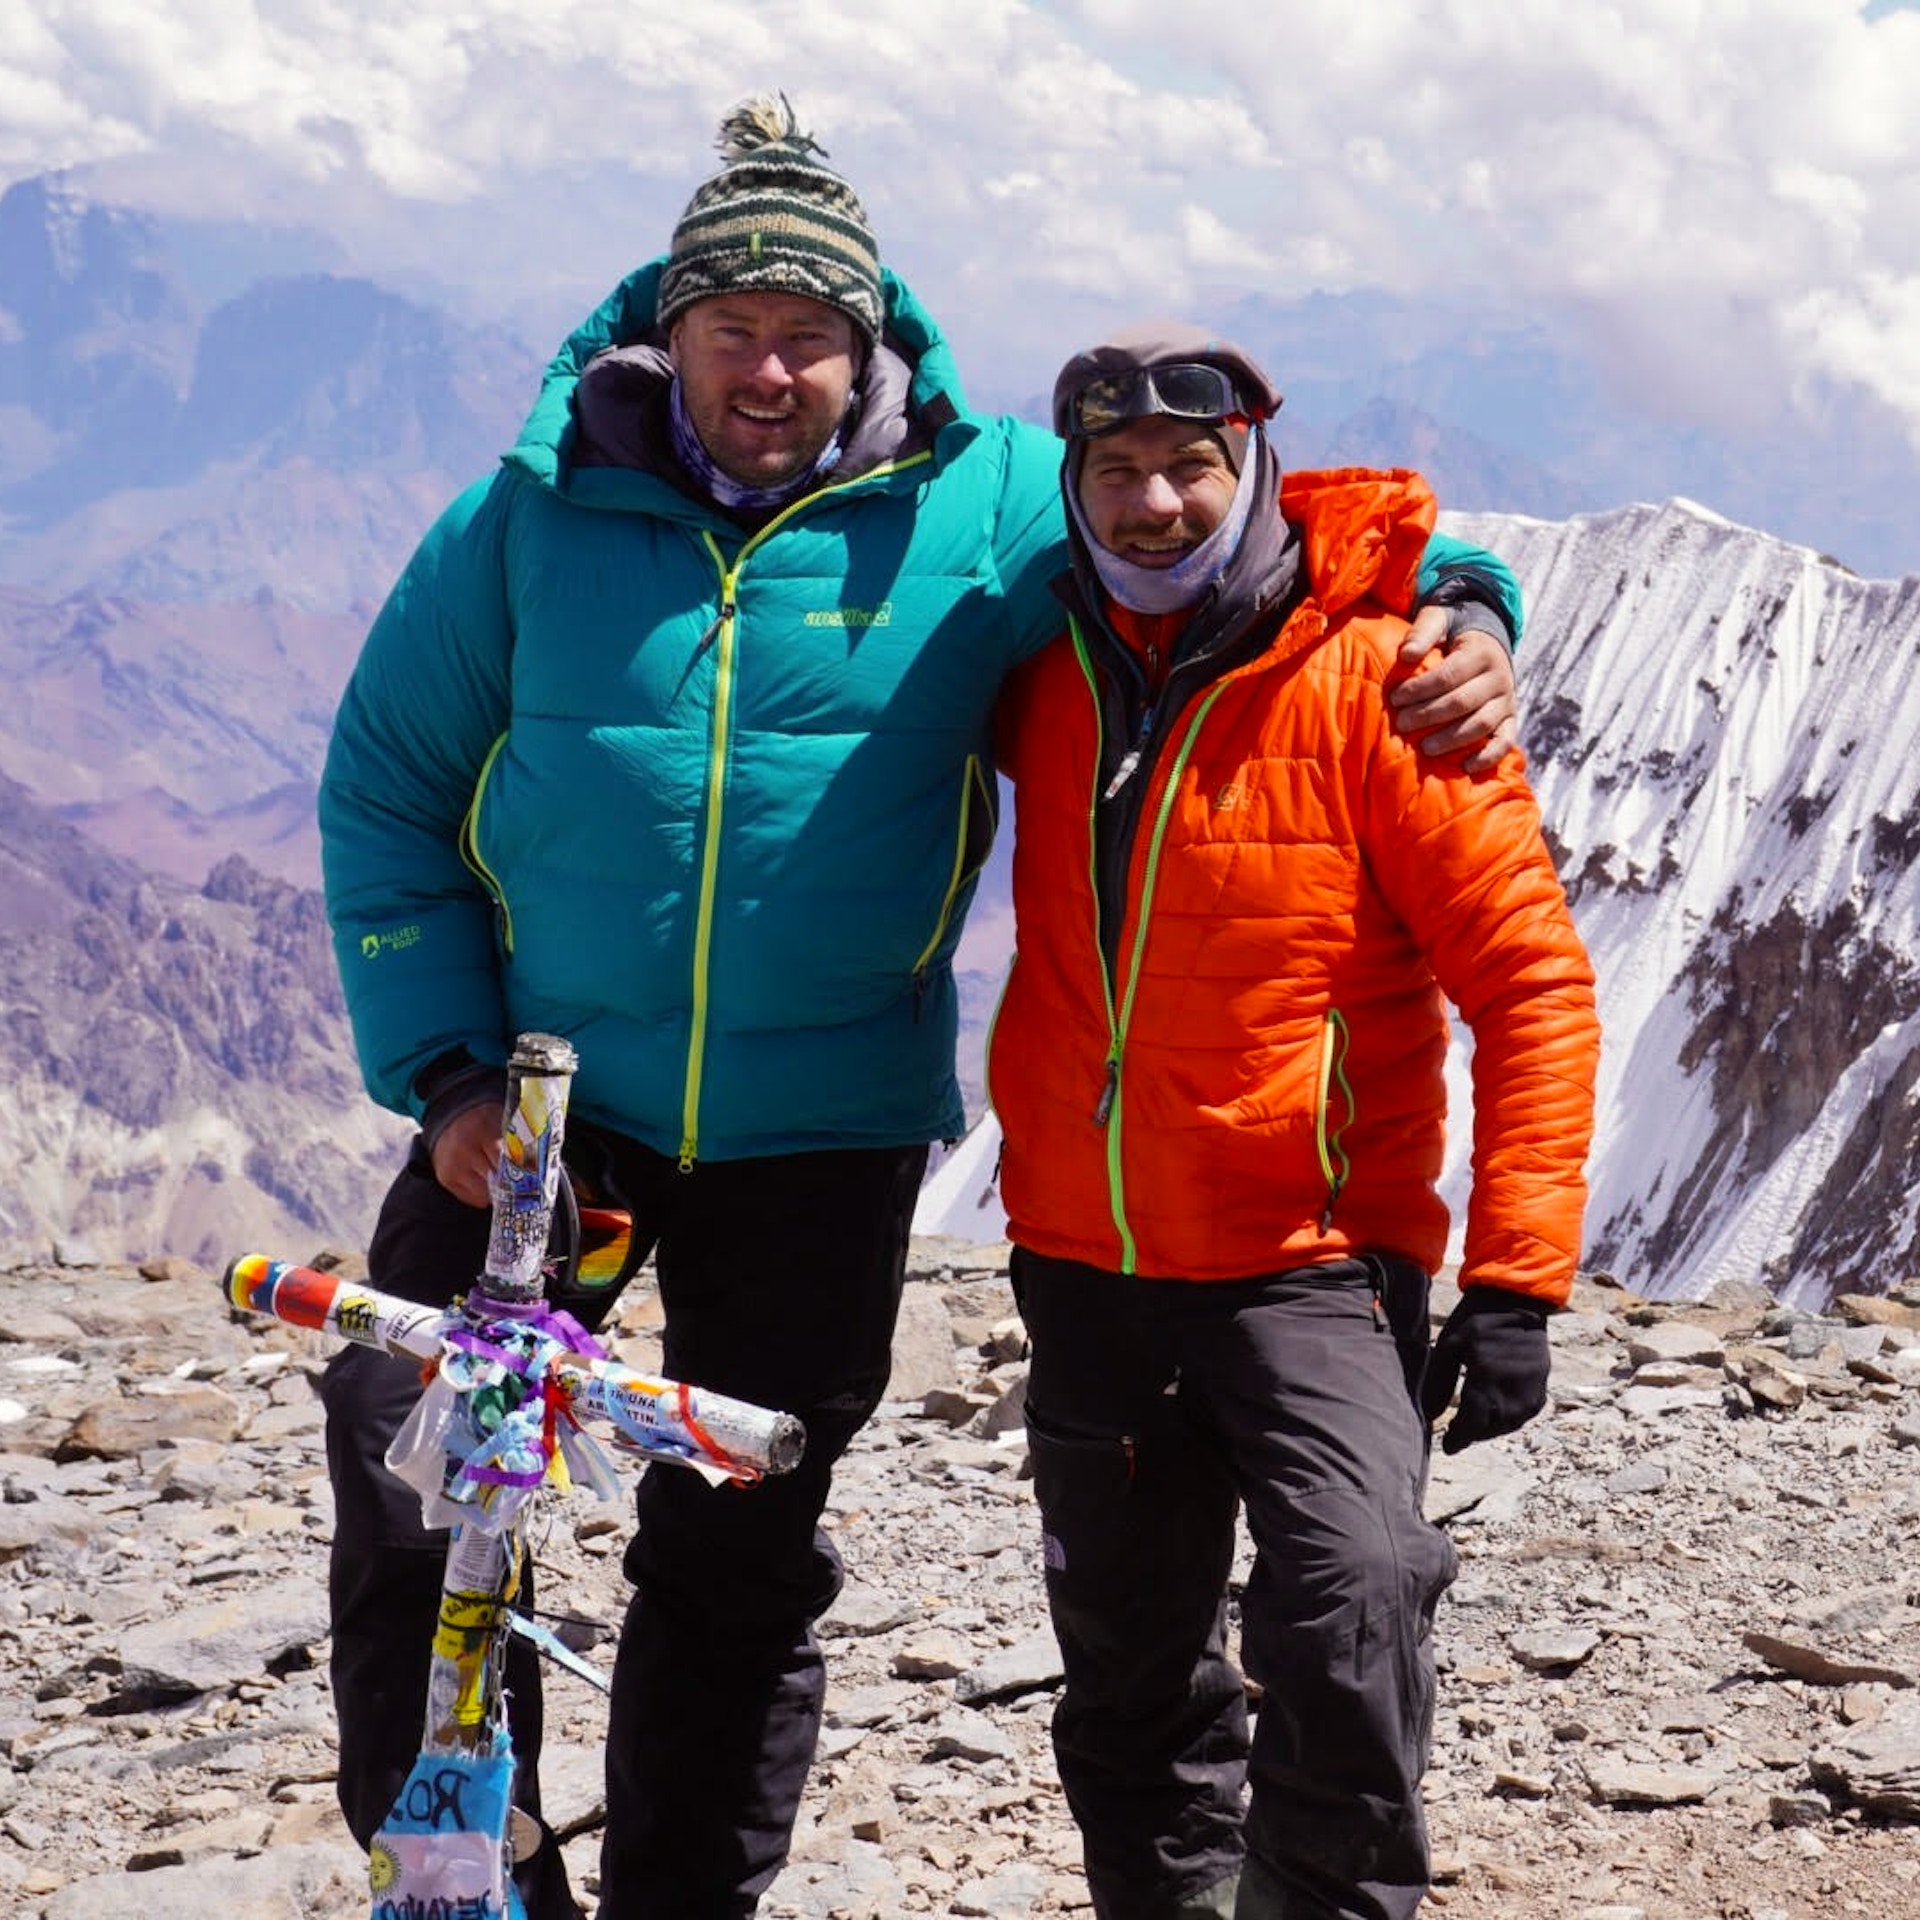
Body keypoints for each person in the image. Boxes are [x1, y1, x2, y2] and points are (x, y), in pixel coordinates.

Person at [315, 97, 1530, 1920]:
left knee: (737, 1537)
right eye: (735, 327)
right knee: (409, 1465)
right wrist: (450, 1074)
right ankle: (453, 1865)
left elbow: (1231, 534)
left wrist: (1465, 598)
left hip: (823, 1136)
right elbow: (387, 791)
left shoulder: (993, 503)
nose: (773, 366)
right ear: (673, 323)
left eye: (813, 331)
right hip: (548, 1116)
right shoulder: (528, 515)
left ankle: (678, 1900)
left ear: (870, 336)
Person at [987, 326, 1600, 1920]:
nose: (1155, 502)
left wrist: (1520, 1280)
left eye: (1193, 465)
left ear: (1252, 466)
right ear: (1073, 485)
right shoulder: (1036, 659)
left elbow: (1533, 987)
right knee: (1129, 1679)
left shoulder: (1384, 683)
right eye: (1115, 471)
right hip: (1087, 1257)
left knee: (1358, 1597)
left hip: (1313, 1260)